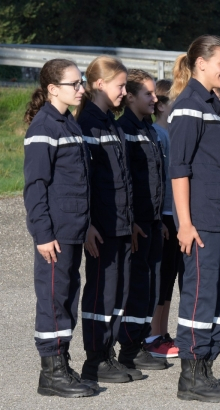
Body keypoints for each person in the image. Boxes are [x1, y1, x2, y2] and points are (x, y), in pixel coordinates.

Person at [168, 35, 220, 402]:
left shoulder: (218, 107)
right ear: (201, 63)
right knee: (200, 296)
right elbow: (178, 170)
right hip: (201, 222)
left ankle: (208, 367)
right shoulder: (189, 107)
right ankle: (191, 374)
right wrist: (184, 222)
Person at [24, 59, 95, 398]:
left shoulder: (69, 124)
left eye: (81, 83)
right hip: (55, 232)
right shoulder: (44, 127)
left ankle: (62, 363)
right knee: (53, 299)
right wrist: (43, 233)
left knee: (67, 298)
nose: (81, 89)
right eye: (75, 84)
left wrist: (88, 224)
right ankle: (50, 372)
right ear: (53, 89)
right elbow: (35, 186)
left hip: (74, 228)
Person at [77, 56, 142, 384]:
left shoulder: (110, 122)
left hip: (119, 224)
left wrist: (129, 221)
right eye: (120, 85)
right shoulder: (88, 123)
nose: (124, 91)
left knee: (119, 293)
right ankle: (95, 359)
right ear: (100, 84)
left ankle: (109, 354)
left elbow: (123, 180)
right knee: (101, 294)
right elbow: (84, 181)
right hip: (100, 227)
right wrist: (86, 224)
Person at [116, 69, 168, 370]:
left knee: (151, 284)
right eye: (148, 93)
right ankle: (129, 346)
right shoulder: (125, 129)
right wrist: (132, 219)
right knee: (136, 286)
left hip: (153, 221)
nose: (154, 98)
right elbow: (126, 181)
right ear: (131, 97)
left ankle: (140, 341)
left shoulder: (148, 129)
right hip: (137, 223)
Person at [148, 79, 181, 359]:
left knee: (169, 278)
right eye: (174, 100)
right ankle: (152, 334)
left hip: (174, 214)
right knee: (160, 279)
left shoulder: (171, 133)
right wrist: (160, 216)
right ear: (160, 105)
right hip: (165, 215)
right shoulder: (158, 134)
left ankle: (162, 331)